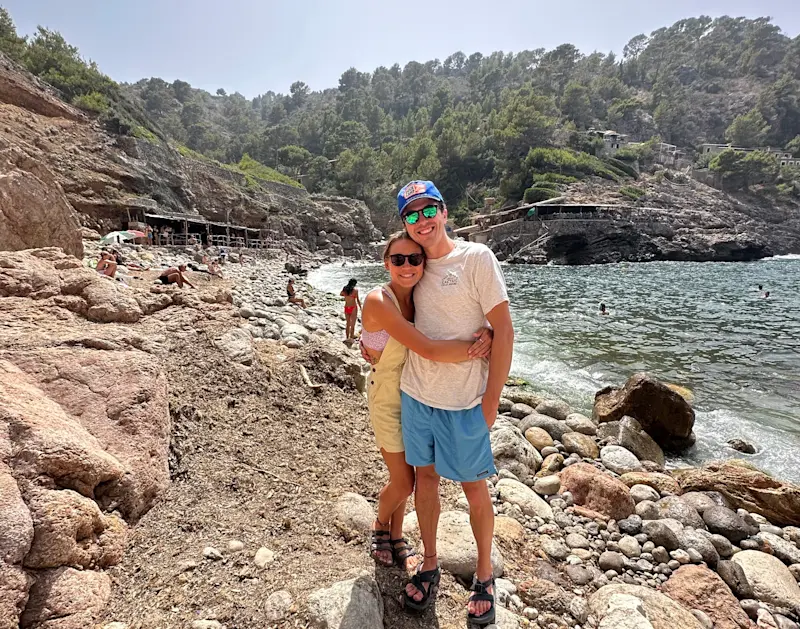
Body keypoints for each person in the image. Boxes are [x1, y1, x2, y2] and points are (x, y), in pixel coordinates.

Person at [396, 181, 513, 626]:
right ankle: (429, 561)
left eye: (429, 210)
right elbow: (390, 306)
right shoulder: (413, 264)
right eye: (411, 215)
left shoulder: (476, 258)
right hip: (416, 395)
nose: (422, 221)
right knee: (425, 482)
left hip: (464, 401)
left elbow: (504, 330)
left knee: (473, 488)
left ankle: (485, 575)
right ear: (404, 223)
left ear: (445, 212)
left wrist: (491, 401)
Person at [361, 232, 493, 573]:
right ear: (385, 263)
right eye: (398, 260)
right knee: (403, 480)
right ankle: (379, 524)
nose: (407, 266)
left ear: (424, 263)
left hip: (414, 393)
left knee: (412, 476)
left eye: (414, 259)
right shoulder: (379, 300)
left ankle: (397, 532)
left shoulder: (420, 294)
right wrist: (481, 348)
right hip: (388, 397)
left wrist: (490, 328)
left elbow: (460, 308)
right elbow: (429, 349)